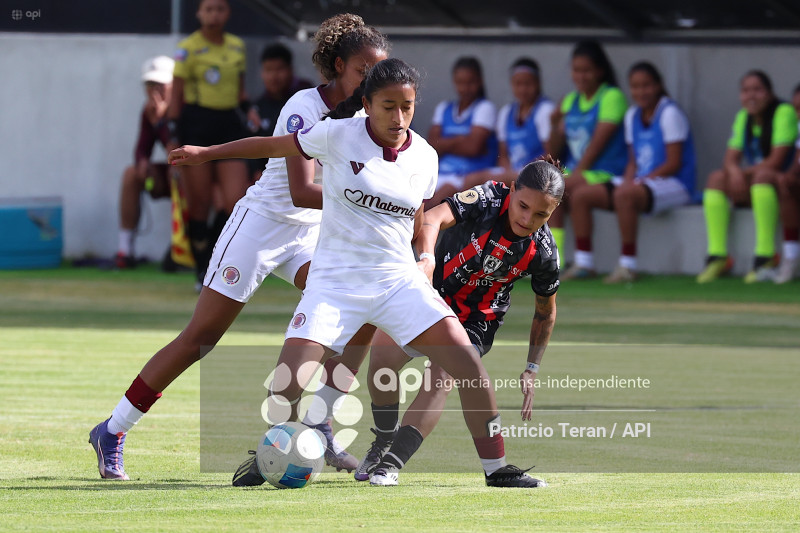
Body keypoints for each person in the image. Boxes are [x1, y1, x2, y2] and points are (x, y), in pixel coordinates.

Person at [169, 58, 543, 488]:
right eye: (388, 106)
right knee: (286, 387)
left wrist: (425, 255)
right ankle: (273, 455)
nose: (398, 117)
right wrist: (206, 154)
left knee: (468, 365)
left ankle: (497, 470)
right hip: (334, 284)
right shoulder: (336, 134)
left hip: (397, 282)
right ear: (366, 104)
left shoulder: (425, 156)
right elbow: (272, 146)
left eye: (407, 106)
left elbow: (419, 216)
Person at [88, 13, 390, 481]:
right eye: (363, 71)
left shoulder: (373, 117)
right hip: (261, 226)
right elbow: (299, 192)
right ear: (337, 66)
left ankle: (320, 425)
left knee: (363, 315)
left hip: (310, 235)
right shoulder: (305, 106)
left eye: (380, 71)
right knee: (200, 340)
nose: (374, 80)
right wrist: (374, 207)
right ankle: (112, 429)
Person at [350, 160, 561, 485]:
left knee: (440, 376)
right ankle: (382, 440)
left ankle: (390, 464)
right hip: (428, 293)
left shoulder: (544, 252)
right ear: (513, 189)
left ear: (553, 212)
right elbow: (434, 218)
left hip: (476, 319)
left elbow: (545, 312)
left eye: (540, 215)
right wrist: (427, 259)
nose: (526, 219)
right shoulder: (488, 198)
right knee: (381, 362)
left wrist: (532, 368)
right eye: (522, 206)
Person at [573, 62, 696, 283]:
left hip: (675, 183)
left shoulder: (669, 113)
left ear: (658, 85)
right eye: (636, 87)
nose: (641, 92)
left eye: (646, 85)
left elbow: (674, 162)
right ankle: (584, 263)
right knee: (581, 195)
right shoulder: (632, 116)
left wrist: (639, 182)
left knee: (625, 194)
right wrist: (630, 180)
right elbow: (632, 161)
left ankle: (628, 266)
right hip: (643, 182)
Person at [167, 0, 251, 287]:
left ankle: (215, 259)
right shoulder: (188, 48)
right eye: (208, 9)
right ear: (199, 13)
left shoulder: (237, 46)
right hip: (197, 124)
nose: (214, 14)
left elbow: (240, 92)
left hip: (229, 124)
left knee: (235, 199)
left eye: (220, 8)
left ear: (228, 13)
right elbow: (175, 97)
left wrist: (249, 110)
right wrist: (173, 136)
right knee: (200, 202)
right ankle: (201, 269)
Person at [697, 70, 798, 283]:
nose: (751, 96)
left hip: (784, 184)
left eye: (757, 90)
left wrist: (740, 174)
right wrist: (734, 174)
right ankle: (718, 256)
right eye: (745, 91)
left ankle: (766, 255)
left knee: (761, 176)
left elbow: (776, 161)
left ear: (769, 93)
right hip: (758, 182)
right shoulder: (743, 117)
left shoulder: (783, 112)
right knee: (716, 178)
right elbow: (730, 158)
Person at [548, 40, 627, 277]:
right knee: (538, 184)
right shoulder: (571, 100)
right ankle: (552, 258)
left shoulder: (612, 97)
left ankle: (553, 262)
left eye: (586, 70)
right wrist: (553, 123)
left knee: (552, 188)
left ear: (600, 71)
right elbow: (553, 149)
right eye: (576, 70)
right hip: (578, 172)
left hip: (606, 172)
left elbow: (595, 147)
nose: (580, 76)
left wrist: (570, 176)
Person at [115, 56, 175, 269]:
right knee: (131, 174)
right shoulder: (148, 111)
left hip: (195, 178)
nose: (154, 90)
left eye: (160, 85)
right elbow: (142, 147)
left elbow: (179, 153)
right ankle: (125, 250)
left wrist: (161, 122)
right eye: (150, 84)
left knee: (176, 172)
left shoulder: (182, 108)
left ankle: (182, 247)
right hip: (171, 176)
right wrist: (142, 164)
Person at [461, 58, 554, 191]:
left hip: (537, 171)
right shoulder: (506, 112)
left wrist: (524, 171)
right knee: (470, 180)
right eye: (518, 84)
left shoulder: (545, 110)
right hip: (513, 171)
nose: (523, 89)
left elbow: (550, 152)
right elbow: (503, 154)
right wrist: (508, 171)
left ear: (538, 83)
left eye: (528, 84)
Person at [426, 57, 498, 208]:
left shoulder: (485, 108)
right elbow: (431, 146)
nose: (465, 88)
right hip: (439, 173)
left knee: (431, 206)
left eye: (470, 82)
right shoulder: (444, 107)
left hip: (465, 176)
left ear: (480, 81)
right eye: (460, 83)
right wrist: (460, 140)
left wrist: (445, 143)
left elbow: (473, 147)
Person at [246, 43, 313, 181]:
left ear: (290, 70)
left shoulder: (306, 96)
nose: (274, 76)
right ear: (261, 73)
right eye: (268, 70)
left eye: (279, 69)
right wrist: (257, 171)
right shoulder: (258, 109)